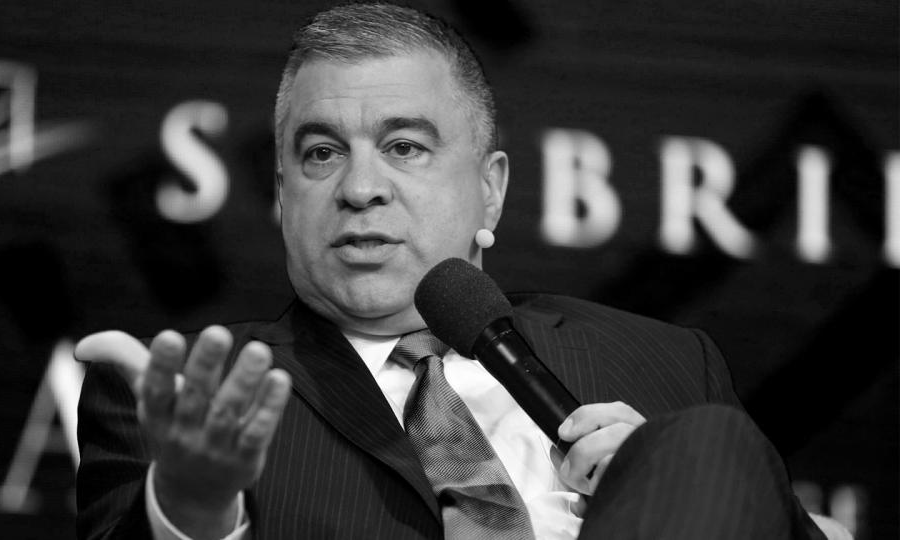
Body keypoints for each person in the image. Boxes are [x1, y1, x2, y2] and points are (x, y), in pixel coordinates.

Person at [75, 3, 845, 540]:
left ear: (491, 190)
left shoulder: (666, 362)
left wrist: (682, 497)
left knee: (705, 444)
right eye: (320, 153)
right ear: (283, 198)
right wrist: (190, 512)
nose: (359, 186)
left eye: (404, 146)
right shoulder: (189, 405)